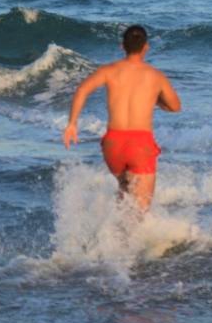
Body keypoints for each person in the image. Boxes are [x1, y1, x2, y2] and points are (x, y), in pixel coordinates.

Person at [63, 25, 181, 211]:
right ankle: (127, 239)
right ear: (146, 47)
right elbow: (175, 107)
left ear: (122, 46)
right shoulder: (155, 76)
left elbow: (82, 90)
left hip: (113, 144)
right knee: (140, 211)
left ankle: (110, 237)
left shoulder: (108, 71)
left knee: (124, 193)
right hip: (140, 144)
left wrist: (72, 124)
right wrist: (155, 100)